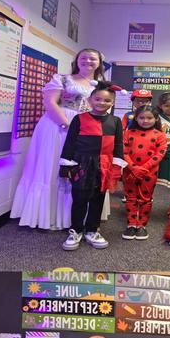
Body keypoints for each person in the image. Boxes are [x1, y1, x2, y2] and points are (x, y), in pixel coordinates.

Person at [11, 48, 105, 230]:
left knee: (82, 167)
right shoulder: (62, 78)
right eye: (83, 58)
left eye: (92, 58)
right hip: (58, 126)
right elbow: (50, 102)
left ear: (99, 62)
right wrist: (67, 125)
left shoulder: (101, 85)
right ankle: (48, 215)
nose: (88, 61)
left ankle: (79, 217)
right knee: (54, 165)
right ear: (77, 60)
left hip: (88, 127)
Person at [58, 82, 124, 252]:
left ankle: (92, 230)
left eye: (107, 100)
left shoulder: (116, 121)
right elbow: (70, 142)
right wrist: (66, 164)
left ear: (113, 102)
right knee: (79, 197)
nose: (102, 103)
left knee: (98, 198)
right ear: (90, 99)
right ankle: (76, 230)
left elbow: (118, 145)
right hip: (82, 164)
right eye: (98, 99)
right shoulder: (79, 119)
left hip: (104, 165)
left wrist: (117, 166)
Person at [121, 105, 166, 240]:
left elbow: (160, 154)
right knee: (131, 197)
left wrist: (143, 168)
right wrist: (134, 167)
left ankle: (141, 225)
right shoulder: (128, 133)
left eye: (149, 118)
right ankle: (131, 224)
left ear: (156, 118)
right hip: (130, 171)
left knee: (145, 198)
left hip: (149, 172)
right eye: (141, 117)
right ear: (136, 118)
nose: (145, 121)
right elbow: (123, 152)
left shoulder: (160, 135)